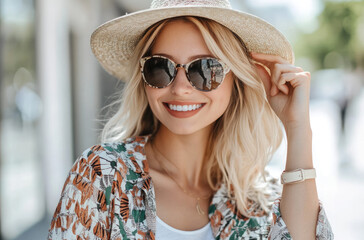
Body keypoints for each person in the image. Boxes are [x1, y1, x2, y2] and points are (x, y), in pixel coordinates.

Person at [48, 0, 334, 239]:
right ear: (143, 78)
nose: (181, 87)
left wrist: (297, 129)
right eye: (161, 67)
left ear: (236, 80)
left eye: (205, 69)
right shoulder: (104, 174)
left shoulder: (260, 196)